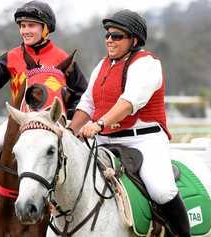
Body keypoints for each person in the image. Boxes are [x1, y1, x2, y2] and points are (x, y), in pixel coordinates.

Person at [68, 9, 190, 237]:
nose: (109, 40)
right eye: (107, 35)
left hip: (144, 140)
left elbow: (128, 102)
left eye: (116, 36)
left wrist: (99, 124)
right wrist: (68, 132)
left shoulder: (147, 65)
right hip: (104, 139)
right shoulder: (102, 65)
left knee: (161, 190)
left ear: (134, 40)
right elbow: (86, 104)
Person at [0, 0, 87, 168]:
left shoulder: (64, 59)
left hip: (54, 123)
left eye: (31, 26)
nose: (25, 31)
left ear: (45, 29)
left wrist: (69, 120)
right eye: (22, 26)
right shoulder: (11, 57)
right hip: (20, 120)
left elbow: (82, 95)